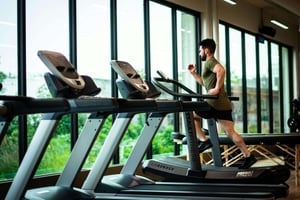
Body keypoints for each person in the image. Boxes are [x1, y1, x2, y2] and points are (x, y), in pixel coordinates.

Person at [188, 38, 256, 169]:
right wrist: (194, 74)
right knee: (230, 132)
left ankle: (204, 141)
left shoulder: (210, 62)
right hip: (223, 104)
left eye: (200, 50)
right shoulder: (209, 64)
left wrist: (217, 89)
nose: (199, 53)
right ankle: (248, 156)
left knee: (190, 114)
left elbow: (221, 70)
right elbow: (205, 83)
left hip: (214, 103)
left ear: (206, 50)